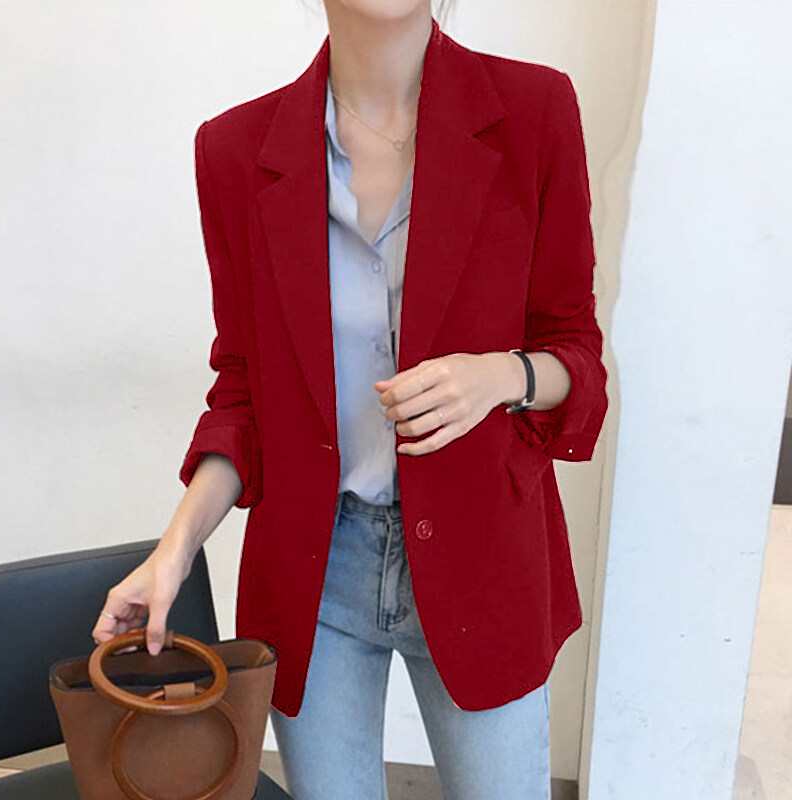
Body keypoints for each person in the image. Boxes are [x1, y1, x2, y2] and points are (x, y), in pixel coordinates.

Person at [92, 2, 608, 798]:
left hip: (485, 559)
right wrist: (176, 548)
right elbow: (242, 391)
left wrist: (503, 375)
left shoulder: (533, 113)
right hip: (316, 573)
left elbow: (575, 351)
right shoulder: (235, 151)